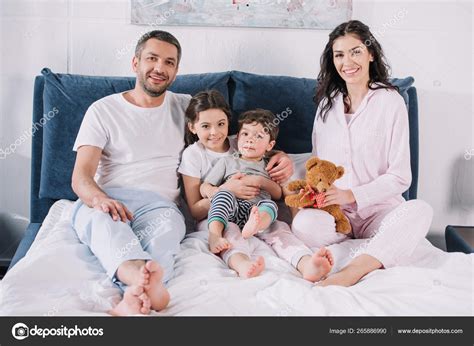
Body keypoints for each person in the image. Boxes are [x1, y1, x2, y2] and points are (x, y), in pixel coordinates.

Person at [70, 31, 295, 315]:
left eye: (169, 62)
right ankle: (137, 284)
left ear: (176, 71)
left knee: (166, 234)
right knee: (106, 227)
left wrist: (279, 155)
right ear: (135, 62)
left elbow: (239, 140)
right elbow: (81, 177)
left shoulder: (186, 106)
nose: (159, 68)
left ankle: (139, 293)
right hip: (111, 196)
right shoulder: (103, 110)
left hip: (161, 205)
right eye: (152, 59)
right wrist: (100, 200)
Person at [290, 20, 433, 287]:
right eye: (339, 54)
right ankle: (373, 249)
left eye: (355, 51)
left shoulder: (391, 101)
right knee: (303, 225)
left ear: (371, 54)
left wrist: (353, 194)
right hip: (336, 214)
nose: (347, 62)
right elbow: (318, 164)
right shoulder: (326, 106)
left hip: (380, 211)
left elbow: (400, 177)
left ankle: (353, 269)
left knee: (420, 211)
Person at [179, 90, 334, 281]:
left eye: (221, 124)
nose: (215, 132)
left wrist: (281, 157)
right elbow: (197, 205)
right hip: (225, 212)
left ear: (229, 123)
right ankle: (241, 263)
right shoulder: (195, 155)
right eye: (205, 126)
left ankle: (306, 263)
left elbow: (265, 152)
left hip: (258, 209)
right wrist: (225, 189)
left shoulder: (240, 141)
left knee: (280, 230)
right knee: (231, 234)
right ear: (192, 127)